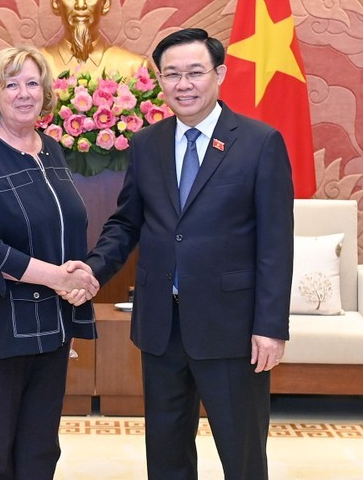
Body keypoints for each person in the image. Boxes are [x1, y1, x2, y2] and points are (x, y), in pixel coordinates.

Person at [83, 28, 294, 479]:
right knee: (167, 454)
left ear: (219, 73)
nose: (184, 84)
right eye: (172, 74)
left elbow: (276, 243)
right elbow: (126, 223)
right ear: (160, 80)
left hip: (233, 328)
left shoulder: (259, 142)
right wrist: (93, 271)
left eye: (195, 72)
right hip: (162, 325)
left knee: (241, 455)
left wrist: (271, 327)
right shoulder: (147, 143)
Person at [0, 46, 98, 480]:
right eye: (11, 84)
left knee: (39, 448)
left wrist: (77, 275)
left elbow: (63, 225)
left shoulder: (50, 149)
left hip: (51, 324)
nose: (23, 93)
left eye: (32, 83)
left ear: (46, 93)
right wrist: (57, 277)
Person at [41, 0, 147, 79]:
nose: (80, 5)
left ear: (105, 3)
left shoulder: (135, 68)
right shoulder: (33, 66)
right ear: (55, 3)